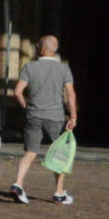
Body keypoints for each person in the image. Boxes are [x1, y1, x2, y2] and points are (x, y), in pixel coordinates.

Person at [11, 34, 78, 205]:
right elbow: (70, 93)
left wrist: (26, 107)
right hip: (55, 116)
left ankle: (18, 183)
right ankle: (58, 192)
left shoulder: (29, 67)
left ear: (41, 49)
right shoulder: (64, 68)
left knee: (30, 151)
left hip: (33, 114)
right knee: (59, 153)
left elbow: (17, 92)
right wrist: (73, 116)